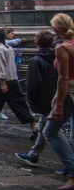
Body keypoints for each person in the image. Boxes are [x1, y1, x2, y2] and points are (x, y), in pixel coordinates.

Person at [0, 28, 38, 136]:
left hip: (0, 82)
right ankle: (34, 125)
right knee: (19, 104)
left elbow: (2, 66)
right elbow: (7, 65)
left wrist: (2, 81)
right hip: (12, 80)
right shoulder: (9, 48)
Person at [14, 30, 59, 167]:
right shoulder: (57, 57)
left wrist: (31, 99)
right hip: (56, 95)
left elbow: (33, 83)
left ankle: (70, 164)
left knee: (50, 130)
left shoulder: (36, 60)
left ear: (35, 43)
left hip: (45, 98)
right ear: (52, 43)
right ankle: (33, 155)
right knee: (44, 126)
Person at [44, 13, 74, 190]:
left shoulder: (62, 48)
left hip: (69, 93)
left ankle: (72, 170)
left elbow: (63, 78)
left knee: (50, 131)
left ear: (55, 29)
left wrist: (59, 105)